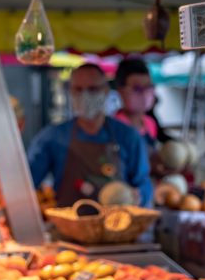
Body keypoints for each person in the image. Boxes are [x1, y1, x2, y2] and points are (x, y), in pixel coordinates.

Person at [27, 62, 153, 206]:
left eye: (93, 89)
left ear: (106, 91)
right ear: (70, 92)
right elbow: (28, 182)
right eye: (78, 89)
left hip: (118, 224)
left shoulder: (128, 136)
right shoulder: (52, 137)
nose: (85, 95)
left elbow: (143, 182)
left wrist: (139, 195)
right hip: (68, 226)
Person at [113, 57, 161, 148]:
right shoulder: (115, 127)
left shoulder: (150, 123)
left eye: (148, 87)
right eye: (137, 88)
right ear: (120, 91)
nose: (144, 93)